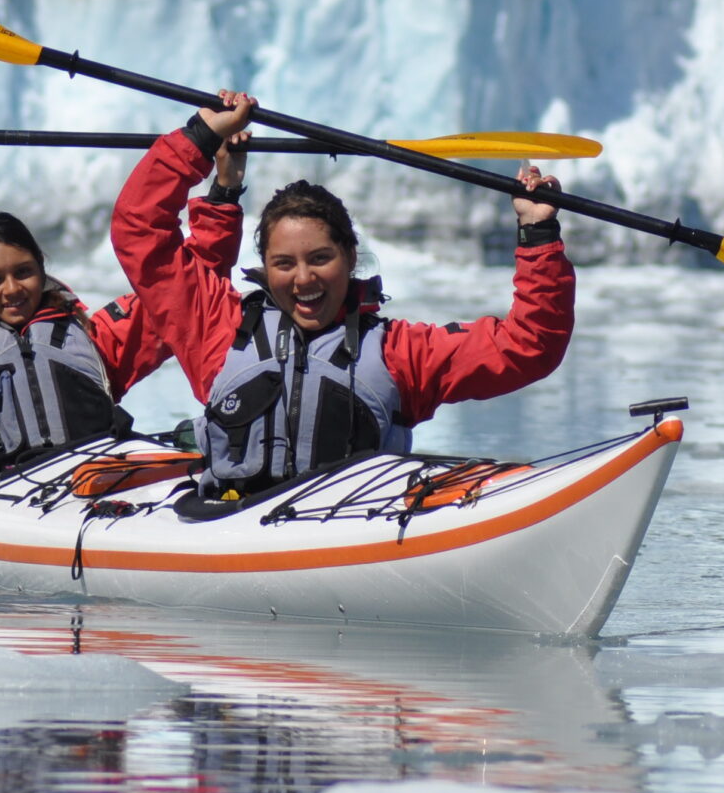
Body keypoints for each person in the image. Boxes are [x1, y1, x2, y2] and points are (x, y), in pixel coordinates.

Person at [111, 91, 572, 501]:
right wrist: (199, 138)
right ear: (266, 269)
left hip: (350, 528)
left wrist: (538, 232)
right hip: (228, 523)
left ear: (351, 258)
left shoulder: (399, 352)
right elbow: (139, 229)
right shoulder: (217, 329)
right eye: (284, 264)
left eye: (320, 258)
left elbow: (529, 345)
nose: (303, 279)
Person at [0, 117, 249, 482]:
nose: (13, 289)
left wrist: (224, 192)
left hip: (90, 486)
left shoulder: (95, 339)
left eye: (24, 272)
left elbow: (187, 285)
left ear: (42, 269)